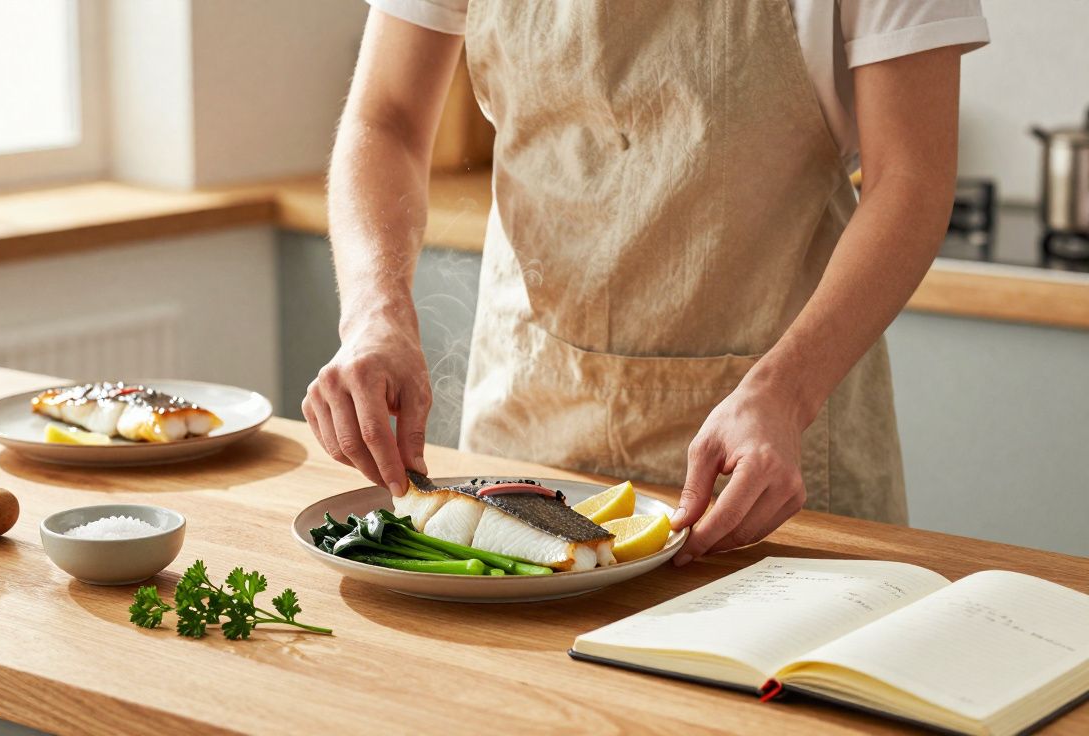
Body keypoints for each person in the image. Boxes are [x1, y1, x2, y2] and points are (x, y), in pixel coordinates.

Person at [303, 1, 989, 566]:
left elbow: (913, 178)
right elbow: (385, 119)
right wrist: (375, 313)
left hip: (769, 448)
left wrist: (787, 391)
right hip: (527, 414)